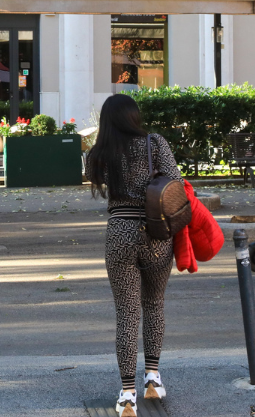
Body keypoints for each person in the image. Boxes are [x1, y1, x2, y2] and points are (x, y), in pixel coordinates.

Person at [85, 94, 182, 417]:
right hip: (155, 231)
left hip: (119, 232)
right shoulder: (154, 143)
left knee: (126, 314)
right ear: (133, 116)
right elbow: (176, 184)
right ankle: (152, 379)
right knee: (154, 304)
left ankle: (127, 396)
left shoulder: (98, 153)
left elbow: (97, 181)